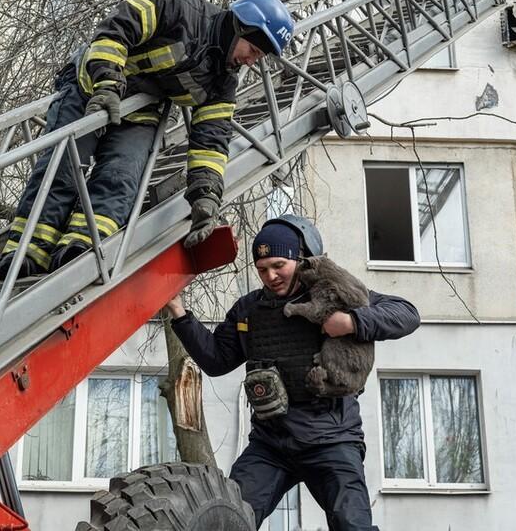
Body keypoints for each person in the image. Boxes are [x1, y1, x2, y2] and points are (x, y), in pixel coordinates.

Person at [0, 0, 294, 279]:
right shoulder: (174, 4)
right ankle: (27, 251)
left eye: (258, 57)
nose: (250, 61)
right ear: (240, 26)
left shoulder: (223, 82)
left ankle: (83, 248)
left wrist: (206, 197)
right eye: (252, 49)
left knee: (121, 178)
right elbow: (115, 31)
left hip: (139, 111)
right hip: (89, 89)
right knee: (63, 170)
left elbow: (211, 141)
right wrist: (107, 83)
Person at [165, 216, 420, 531]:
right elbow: (217, 360)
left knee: (352, 525)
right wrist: (180, 314)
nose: (270, 276)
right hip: (271, 444)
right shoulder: (248, 310)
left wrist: (352, 322)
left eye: (278, 265)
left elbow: (407, 313)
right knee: (227, 521)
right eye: (261, 269)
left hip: (331, 438)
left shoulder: (334, 295)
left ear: (301, 259)